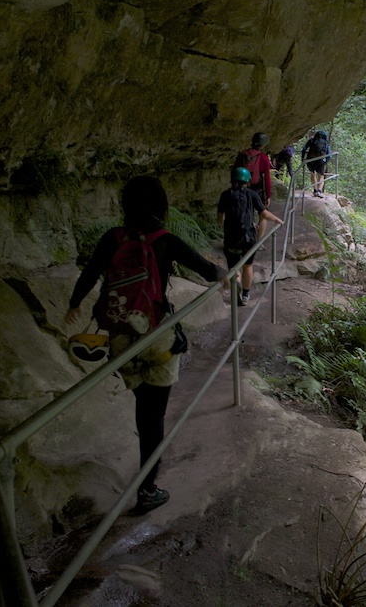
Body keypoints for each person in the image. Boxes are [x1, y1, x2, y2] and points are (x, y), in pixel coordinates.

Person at [65, 176, 231, 513]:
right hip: (157, 337)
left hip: (121, 339)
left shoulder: (113, 238)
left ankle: (145, 476)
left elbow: (90, 274)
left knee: (144, 408)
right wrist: (225, 276)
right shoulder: (165, 239)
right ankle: (147, 488)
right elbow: (206, 270)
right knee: (155, 415)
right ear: (160, 205)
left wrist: (74, 304)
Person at [218, 166, 284, 306]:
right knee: (248, 266)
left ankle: (236, 285)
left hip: (231, 238)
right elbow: (264, 214)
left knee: (234, 268)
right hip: (248, 237)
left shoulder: (225, 195)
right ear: (247, 180)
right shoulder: (252, 194)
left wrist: (227, 227)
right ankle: (246, 294)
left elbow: (220, 218)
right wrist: (277, 220)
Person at [234, 132, 274, 238]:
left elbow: (235, 171)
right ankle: (259, 241)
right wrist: (268, 195)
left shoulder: (243, 154)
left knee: (244, 212)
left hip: (241, 188)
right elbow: (267, 178)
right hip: (256, 189)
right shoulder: (263, 158)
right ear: (263, 144)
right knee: (262, 214)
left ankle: (242, 237)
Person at [301, 130, 331, 198]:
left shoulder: (312, 140)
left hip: (311, 159)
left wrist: (302, 158)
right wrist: (325, 162)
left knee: (313, 174)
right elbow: (329, 155)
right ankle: (319, 191)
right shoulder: (326, 143)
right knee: (321, 176)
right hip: (321, 160)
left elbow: (304, 149)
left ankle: (315, 190)